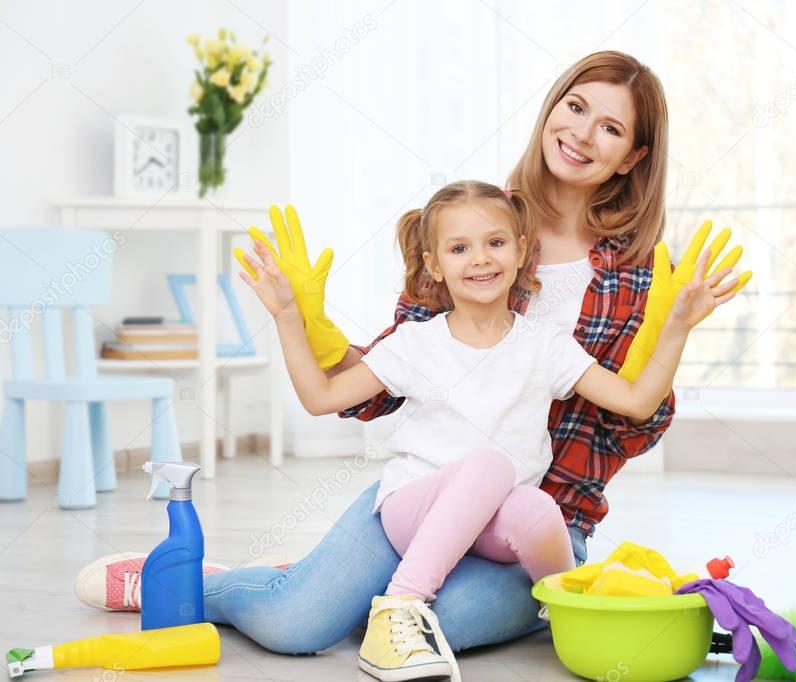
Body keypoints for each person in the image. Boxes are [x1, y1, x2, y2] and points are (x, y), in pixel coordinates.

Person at [73, 51, 751, 658]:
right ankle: (224, 585)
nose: (580, 132)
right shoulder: (477, 222)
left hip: (539, 522)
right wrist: (308, 328)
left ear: (632, 156)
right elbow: (396, 369)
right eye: (574, 107)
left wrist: (671, 331)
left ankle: (384, 594)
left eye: (610, 126)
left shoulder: (638, 274)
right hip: (425, 493)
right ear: (550, 111)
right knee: (296, 626)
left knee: (442, 624)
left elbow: (632, 422)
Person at [240, 179, 739, 680]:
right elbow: (320, 397)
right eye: (459, 248)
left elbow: (636, 400)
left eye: (495, 243)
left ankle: (567, 608)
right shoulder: (416, 343)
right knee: (490, 465)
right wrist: (288, 315)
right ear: (434, 264)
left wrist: (676, 326)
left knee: (537, 506)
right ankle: (396, 605)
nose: (480, 259)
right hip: (413, 507)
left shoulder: (545, 345)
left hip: (496, 523)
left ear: (522, 251)